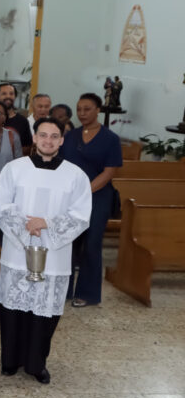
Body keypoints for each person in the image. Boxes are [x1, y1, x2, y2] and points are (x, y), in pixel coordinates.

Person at [0, 118, 91, 383]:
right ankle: (10, 360)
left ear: (61, 141)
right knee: (14, 307)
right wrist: (26, 224)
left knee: (45, 309)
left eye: (54, 136)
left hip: (54, 252)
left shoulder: (75, 175)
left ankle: (37, 363)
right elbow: (1, 205)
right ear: (35, 138)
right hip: (19, 248)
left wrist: (45, 223)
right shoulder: (14, 169)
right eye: (43, 135)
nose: (48, 140)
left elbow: (81, 215)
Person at [61, 93, 122, 307]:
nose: (82, 113)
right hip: (71, 198)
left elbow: (109, 172)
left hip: (98, 197)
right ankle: (63, 289)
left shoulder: (110, 139)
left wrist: (85, 190)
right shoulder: (70, 136)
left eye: (87, 109)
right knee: (69, 242)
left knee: (91, 244)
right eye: (79, 109)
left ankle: (87, 293)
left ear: (98, 110)